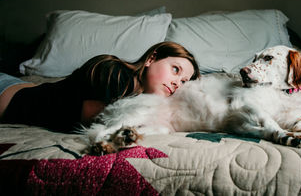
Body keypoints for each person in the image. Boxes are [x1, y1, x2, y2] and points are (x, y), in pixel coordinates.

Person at [0, 41, 200, 132]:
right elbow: (106, 119)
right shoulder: (111, 70)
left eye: (184, 82)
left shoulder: (143, 99)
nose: (177, 83)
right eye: (175, 69)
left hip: (21, 86)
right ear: (151, 58)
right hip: (6, 93)